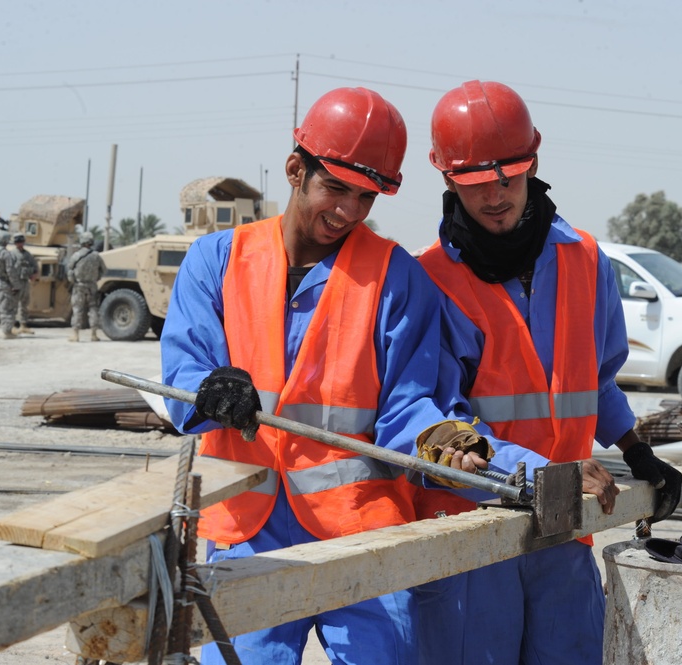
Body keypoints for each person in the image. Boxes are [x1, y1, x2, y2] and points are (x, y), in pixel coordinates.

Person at [161, 87, 548, 665]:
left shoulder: (396, 277)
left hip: (363, 531)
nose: (348, 211)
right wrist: (209, 390)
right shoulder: (217, 261)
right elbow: (184, 375)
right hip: (246, 530)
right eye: (334, 188)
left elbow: (410, 408)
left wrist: (466, 447)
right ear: (296, 169)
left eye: (365, 197)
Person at [415, 81, 682, 664]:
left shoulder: (584, 258)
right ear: (447, 180)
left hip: (564, 531)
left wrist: (636, 451)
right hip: (474, 532)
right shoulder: (430, 282)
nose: (495, 196)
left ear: (532, 162)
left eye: (507, 178)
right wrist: (539, 472)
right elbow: (438, 420)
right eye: (476, 184)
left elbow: (597, 378)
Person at [67, 233, 105, 342]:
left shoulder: (76, 256)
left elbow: (70, 272)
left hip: (79, 285)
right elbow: (103, 270)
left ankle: (75, 334)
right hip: (92, 286)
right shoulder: (96, 256)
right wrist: (96, 278)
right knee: (93, 309)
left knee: (77, 309)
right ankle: (94, 334)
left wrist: (73, 281)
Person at [10, 233, 39, 335]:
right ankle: (12, 326)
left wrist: (34, 274)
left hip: (25, 282)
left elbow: (34, 266)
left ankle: (23, 325)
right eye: (18, 242)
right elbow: (9, 270)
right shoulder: (12, 254)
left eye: (21, 242)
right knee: (13, 305)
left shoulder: (27, 255)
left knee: (24, 305)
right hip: (16, 282)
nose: (20, 244)